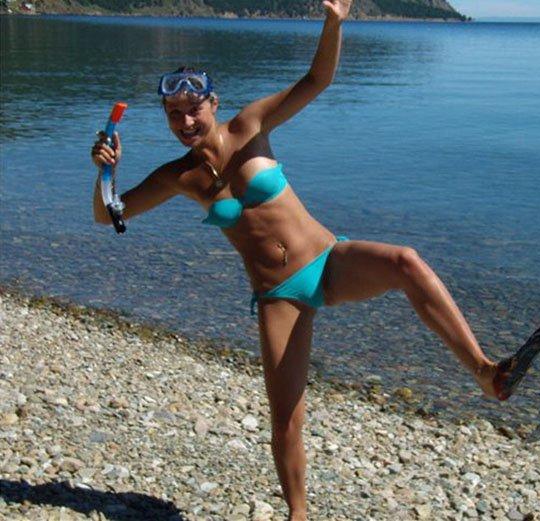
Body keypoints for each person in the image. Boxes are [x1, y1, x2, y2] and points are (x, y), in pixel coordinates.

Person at [91, 1, 505, 518]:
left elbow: (317, 80)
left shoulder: (251, 126)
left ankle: (485, 371)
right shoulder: (179, 176)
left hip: (327, 261)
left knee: (406, 261)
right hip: (277, 296)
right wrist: (104, 172)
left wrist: (333, 23)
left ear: (214, 103)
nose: (186, 121)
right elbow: (110, 215)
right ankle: (298, 514)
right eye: (174, 113)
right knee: (286, 419)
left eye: (194, 108)